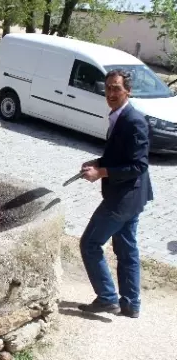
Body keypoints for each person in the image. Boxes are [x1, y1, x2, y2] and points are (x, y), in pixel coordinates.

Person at [78, 69, 153, 318]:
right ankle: (131, 304)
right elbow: (121, 157)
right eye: (108, 88)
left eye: (116, 88)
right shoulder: (118, 116)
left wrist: (101, 173)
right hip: (130, 198)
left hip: (123, 199)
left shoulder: (134, 121)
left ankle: (107, 298)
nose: (110, 93)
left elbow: (139, 166)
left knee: (89, 244)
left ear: (127, 91)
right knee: (127, 251)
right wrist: (98, 162)